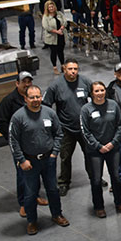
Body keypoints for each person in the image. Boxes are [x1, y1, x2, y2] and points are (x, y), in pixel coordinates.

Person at [8, 85, 70, 235]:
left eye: (38, 97)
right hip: (30, 162)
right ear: (26, 99)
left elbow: (59, 134)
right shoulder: (18, 117)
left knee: (52, 190)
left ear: (41, 97)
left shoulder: (49, 113)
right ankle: (31, 221)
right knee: (30, 193)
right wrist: (22, 160)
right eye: (32, 97)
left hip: (49, 160)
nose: (35, 100)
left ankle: (57, 215)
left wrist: (55, 153)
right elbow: (13, 141)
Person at [0, 72, 45, 217]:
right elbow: (1, 123)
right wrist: (13, 139)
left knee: (35, 172)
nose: (27, 84)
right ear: (17, 83)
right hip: (20, 146)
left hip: (35, 144)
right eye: (24, 82)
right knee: (23, 174)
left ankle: (34, 196)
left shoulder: (34, 99)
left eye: (29, 81)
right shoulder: (9, 101)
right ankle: (24, 203)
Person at [43, 59, 92, 195]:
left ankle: (95, 177)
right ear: (64, 69)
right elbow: (45, 106)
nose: (73, 72)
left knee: (90, 154)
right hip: (65, 129)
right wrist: (53, 125)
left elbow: (95, 100)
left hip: (84, 128)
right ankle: (64, 182)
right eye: (70, 69)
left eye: (75, 69)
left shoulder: (85, 82)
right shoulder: (56, 86)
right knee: (65, 157)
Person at [80, 82, 121, 217]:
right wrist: (99, 146)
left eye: (102, 90)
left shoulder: (113, 105)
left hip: (113, 148)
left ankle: (119, 202)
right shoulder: (86, 109)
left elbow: (120, 125)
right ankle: (99, 206)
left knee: (116, 177)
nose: (100, 93)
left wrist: (113, 143)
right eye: (97, 91)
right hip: (95, 151)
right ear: (92, 93)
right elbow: (85, 132)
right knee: (96, 179)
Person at [41, 0, 66, 73]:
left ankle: (62, 65)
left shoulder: (59, 14)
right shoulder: (46, 16)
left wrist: (62, 28)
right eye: (49, 7)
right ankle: (55, 67)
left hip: (61, 36)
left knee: (61, 51)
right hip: (52, 37)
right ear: (47, 8)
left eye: (52, 6)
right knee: (54, 52)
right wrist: (56, 31)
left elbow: (64, 21)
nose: (51, 8)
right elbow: (46, 27)